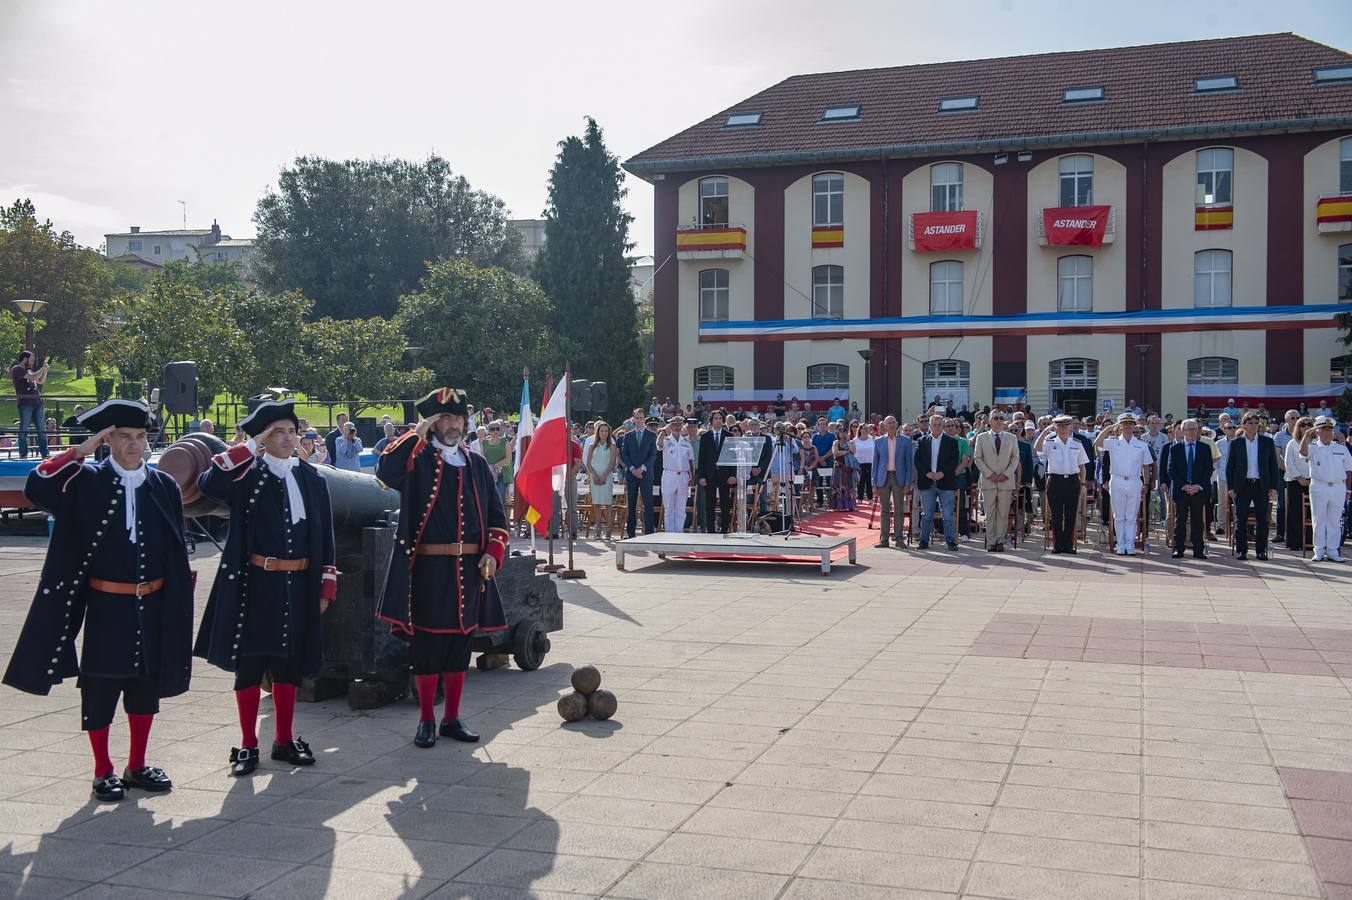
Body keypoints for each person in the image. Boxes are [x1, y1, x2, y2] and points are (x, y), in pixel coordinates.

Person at [3, 399, 193, 802]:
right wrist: (78, 452)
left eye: (141, 437)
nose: (135, 445)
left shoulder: (163, 486)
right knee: (102, 685)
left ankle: (137, 765)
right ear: (108, 439)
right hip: (107, 605)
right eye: (125, 437)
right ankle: (102, 769)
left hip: (154, 602)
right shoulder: (86, 481)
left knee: (145, 687)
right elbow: (37, 485)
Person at [194, 399, 337, 776]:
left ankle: (285, 740)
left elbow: (325, 536)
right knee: (251, 663)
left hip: (300, 583)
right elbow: (210, 484)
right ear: (264, 438)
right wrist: (247, 447)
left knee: (289, 666)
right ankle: (247, 744)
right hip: (257, 584)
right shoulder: (248, 476)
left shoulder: (312, 478)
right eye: (279, 432)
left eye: (292, 431)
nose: (289, 438)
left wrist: (326, 584)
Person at [376, 388, 508, 748]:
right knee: (428, 646)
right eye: (444, 419)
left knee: (460, 644)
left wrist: (492, 555)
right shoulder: (418, 459)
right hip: (428, 570)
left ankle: (452, 717)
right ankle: (426, 720)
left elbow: (498, 519)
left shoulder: (477, 463)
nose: (452, 425)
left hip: (470, 569)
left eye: (458, 419)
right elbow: (385, 472)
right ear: (432, 424)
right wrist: (415, 434)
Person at [1225, 412, 1282, 561]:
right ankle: (1241, 550)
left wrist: (1274, 487)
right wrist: (1230, 487)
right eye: (1250, 423)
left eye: (1256, 423)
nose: (1254, 426)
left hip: (1261, 485)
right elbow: (1229, 467)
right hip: (1242, 485)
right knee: (1240, 519)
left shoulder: (1266, 442)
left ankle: (1261, 550)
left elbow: (1273, 467)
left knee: (1262, 519)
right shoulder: (1236, 442)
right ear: (1243, 425)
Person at [1095, 414, 1152, 555]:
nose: (1127, 426)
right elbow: (1097, 443)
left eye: (1130, 423)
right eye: (1124, 423)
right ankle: (1120, 544)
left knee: (1131, 516)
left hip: (1134, 481)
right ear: (1120, 425)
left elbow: (1146, 466)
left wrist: (1146, 484)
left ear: (1134, 426)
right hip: (1117, 480)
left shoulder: (1142, 444)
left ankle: (1130, 543)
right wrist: (1109, 427)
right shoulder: (1113, 442)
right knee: (1119, 515)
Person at [1300, 416, 1352, 562]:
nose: (1327, 432)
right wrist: (1306, 435)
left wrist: (1348, 490)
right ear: (1317, 431)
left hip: (1338, 487)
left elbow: (1349, 470)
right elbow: (1303, 452)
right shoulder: (1312, 447)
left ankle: (1333, 551)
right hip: (1319, 486)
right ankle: (1319, 550)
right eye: (1323, 429)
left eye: (1330, 429)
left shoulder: (1341, 448)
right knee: (1318, 520)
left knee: (1335, 521)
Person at [1036, 416, 1089, 554]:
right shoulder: (1050, 442)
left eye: (1066, 426)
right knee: (1056, 515)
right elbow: (1037, 448)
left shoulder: (1077, 443)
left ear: (1070, 427)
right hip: (1055, 481)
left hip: (1072, 481)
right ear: (1056, 428)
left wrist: (1083, 484)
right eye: (1060, 426)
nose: (1063, 429)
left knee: (1071, 514)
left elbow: (1082, 466)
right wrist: (1045, 430)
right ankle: (1057, 545)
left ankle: (1068, 545)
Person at [972, 410, 1019, 552]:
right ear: (990, 421)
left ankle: (1000, 540)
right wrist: (989, 474)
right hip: (988, 480)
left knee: (1003, 512)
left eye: (1001, 418)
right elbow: (977, 458)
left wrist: (1006, 474)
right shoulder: (981, 437)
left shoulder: (1012, 438)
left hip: (1005, 480)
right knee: (990, 512)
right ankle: (991, 541)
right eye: (996, 418)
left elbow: (1015, 458)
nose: (998, 421)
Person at [1166, 419, 1213, 559]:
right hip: (1181, 490)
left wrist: (1198, 486)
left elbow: (1208, 469)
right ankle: (1178, 549)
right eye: (1188, 429)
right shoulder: (1175, 448)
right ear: (1183, 431)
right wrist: (1184, 485)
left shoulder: (1205, 448)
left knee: (1197, 521)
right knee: (1180, 520)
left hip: (1199, 490)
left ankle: (1198, 549)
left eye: (1194, 429)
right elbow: (1171, 469)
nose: (1192, 432)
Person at [914, 414, 960, 551]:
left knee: (947, 515)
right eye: (934, 424)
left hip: (945, 482)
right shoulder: (922, 441)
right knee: (927, 514)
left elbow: (954, 461)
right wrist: (927, 473)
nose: (937, 427)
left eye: (940, 424)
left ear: (943, 426)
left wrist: (943, 473)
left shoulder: (951, 442)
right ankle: (923, 541)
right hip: (927, 482)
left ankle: (950, 541)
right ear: (930, 425)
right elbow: (918, 461)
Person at [872, 416, 915, 548]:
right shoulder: (878, 441)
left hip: (899, 478)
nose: (891, 425)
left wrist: (908, 483)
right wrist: (874, 484)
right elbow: (875, 463)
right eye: (888, 423)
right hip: (883, 478)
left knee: (899, 510)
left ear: (897, 425)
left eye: (893, 423)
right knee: (884, 510)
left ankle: (899, 539)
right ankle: (884, 539)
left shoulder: (906, 441)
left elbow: (909, 464)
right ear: (884, 425)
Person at [619, 408, 657, 538]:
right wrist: (632, 469)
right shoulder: (627, 436)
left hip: (646, 474)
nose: (639, 420)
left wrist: (642, 468)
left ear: (644, 420)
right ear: (633, 419)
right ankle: (631, 532)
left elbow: (653, 454)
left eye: (641, 418)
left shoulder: (651, 435)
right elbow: (624, 454)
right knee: (632, 504)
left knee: (648, 503)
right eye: (637, 417)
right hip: (631, 474)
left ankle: (649, 532)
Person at [698, 411, 735, 533]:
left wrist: (732, 475)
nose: (718, 420)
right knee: (710, 504)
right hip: (709, 475)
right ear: (711, 421)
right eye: (716, 418)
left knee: (725, 504)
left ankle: (725, 530)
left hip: (725, 475)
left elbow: (732, 457)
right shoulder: (705, 437)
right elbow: (701, 458)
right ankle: (711, 531)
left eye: (720, 418)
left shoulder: (729, 435)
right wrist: (701, 476)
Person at [1282, 416, 1314, 552]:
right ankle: (1294, 542)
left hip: (1314, 481)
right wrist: (1299, 478)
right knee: (1295, 512)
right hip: (1295, 481)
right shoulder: (1292, 443)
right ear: (1298, 427)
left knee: (1312, 513)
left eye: (1309, 424)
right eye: (1303, 425)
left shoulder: (1317, 442)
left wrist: (1311, 479)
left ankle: (1311, 541)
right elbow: (1288, 463)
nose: (1306, 427)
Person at [10, 350, 50, 458]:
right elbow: (32, 377)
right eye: (31, 359)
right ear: (24, 359)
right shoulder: (17, 369)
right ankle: (23, 453)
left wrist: (45, 371)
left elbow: (40, 381)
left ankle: (45, 453)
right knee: (24, 429)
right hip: (25, 403)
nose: (32, 362)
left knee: (41, 429)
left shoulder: (29, 370)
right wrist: (42, 369)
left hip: (38, 402)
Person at [660, 417, 694, 533]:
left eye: (679, 425)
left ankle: (679, 532)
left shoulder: (686, 442)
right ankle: (670, 532)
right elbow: (658, 444)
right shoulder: (665, 440)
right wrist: (663, 430)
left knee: (681, 507)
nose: (677, 427)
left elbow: (690, 461)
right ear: (670, 427)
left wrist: (692, 477)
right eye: (674, 425)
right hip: (669, 474)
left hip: (683, 475)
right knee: (669, 508)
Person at [585, 421, 617, 540]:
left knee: (608, 503)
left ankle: (609, 530)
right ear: (598, 432)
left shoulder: (612, 446)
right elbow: (588, 463)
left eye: (606, 431)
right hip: (594, 475)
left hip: (607, 476)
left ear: (608, 432)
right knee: (597, 504)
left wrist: (604, 475)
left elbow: (612, 462)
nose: (604, 433)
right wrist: (594, 475)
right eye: (602, 431)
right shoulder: (592, 446)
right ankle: (597, 529)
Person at [480, 421, 512, 508]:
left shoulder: (505, 441)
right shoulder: (484, 443)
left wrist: (494, 466)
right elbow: (482, 458)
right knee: (488, 500)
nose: (495, 431)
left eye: (497, 429)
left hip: (502, 475)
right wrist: (490, 468)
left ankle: (500, 520)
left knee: (499, 500)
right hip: (488, 476)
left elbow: (508, 457)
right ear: (489, 431)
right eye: (492, 429)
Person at [829, 422, 857, 511]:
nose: (843, 434)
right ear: (838, 434)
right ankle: (837, 506)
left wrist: (848, 443)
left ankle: (850, 505)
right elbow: (835, 453)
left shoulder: (851, 442)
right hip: (839, 467)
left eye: (845, 432)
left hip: (849, 468)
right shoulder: (835, 442)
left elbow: (853, 451)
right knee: (838, 485)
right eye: (841, 432)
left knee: (849, 485)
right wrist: (846, 452)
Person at [854, 422, 876, 501]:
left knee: (869, 481)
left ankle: (870, 498)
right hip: (859, 464)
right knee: (860, 481)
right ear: (860, 430)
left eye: (868, 429)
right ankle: (860, 498)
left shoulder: (872, 439)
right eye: (865, 428)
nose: (867, 430)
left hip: (870, 463)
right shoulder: (855, 440)